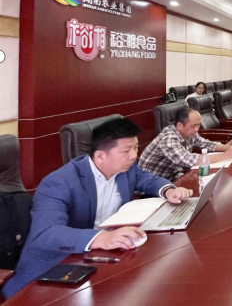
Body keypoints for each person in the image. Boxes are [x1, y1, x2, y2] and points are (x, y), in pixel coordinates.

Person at [2, 119, 192, 299]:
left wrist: (168, 190)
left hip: (100, 257)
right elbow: (46, 233)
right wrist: (100, 238)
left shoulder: (125, 168)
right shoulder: (59, 182)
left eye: (135, 147)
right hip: (52, 271)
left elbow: (146, 179)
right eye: (126, 150)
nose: (134, 155)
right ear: (100, 156)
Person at [139, 108, 232, 181]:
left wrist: (229, 148)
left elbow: (206, 143)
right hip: (152, 182)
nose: (197, 129)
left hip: (174, 175)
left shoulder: (188, 132)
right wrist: (224, 155)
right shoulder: (168, 138)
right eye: (193, 126)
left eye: (198, 125)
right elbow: (189, 159)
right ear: (179, 125)